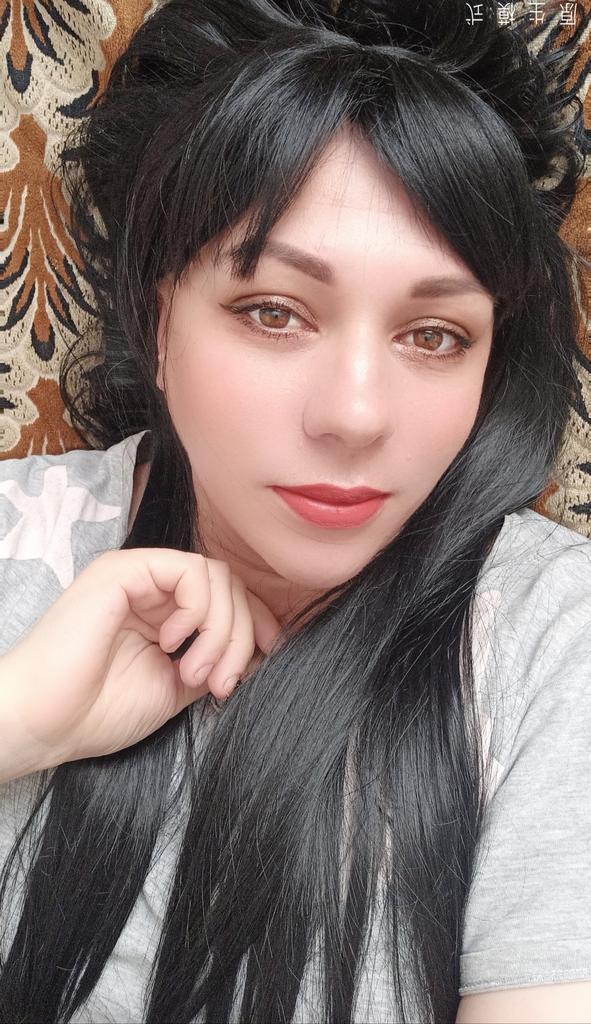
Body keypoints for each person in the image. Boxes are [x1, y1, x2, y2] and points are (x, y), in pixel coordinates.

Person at [0, 0, 589, 1020]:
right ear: (157, 314)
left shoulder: (552, 636)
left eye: (435, 334)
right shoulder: (18, 542)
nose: (354, 415)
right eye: (273, 312)